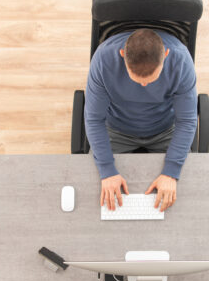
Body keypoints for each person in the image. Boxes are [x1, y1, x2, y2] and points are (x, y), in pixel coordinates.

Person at [84, 28, 198, 212]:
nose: (144, 86)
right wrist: (107, 171)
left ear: (166, 55)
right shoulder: (103, 60)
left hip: (165, 129)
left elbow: (187, 121)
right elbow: (94, 119)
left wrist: (170, 172)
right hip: (116, 128)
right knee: (93, 196)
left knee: (188, 199)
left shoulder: (181, 60)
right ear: (122, 55)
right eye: (137, 80)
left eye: (151, 80)